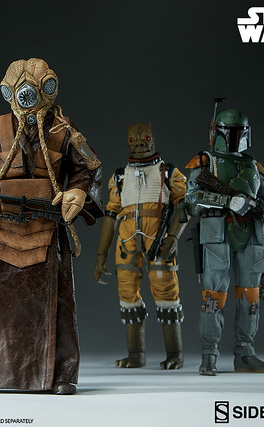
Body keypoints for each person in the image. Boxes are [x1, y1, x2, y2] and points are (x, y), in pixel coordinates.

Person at [0, 58, 103, 395]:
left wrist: (78, 191)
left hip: (47, 225)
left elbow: (89, 168)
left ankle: (59, 373)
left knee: (56, 303)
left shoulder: (64, 130)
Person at [185, 107, 264, 375]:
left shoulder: (251, 166)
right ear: (216, 132)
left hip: (251, 233)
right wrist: (227, 201)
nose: (234, 137)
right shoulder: (205, 163)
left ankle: (245, 353)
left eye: (239, 132)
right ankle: (209, 355)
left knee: (250, 297)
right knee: (213, 298)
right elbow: (191, 199)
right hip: (217, 233)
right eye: (229, 132)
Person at [94, 122, 188, 370]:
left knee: (166, 291)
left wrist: (173, 237)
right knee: (127, 294)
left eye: (144, 138)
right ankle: (136, 354)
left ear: (152, 139)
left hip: (159, 239)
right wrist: (101, 255)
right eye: (133, 140)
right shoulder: (119, 177)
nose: (138, 143)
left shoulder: (168, 172)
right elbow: (111, 216)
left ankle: (175, 353)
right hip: (126, 242)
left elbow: (184, 205)